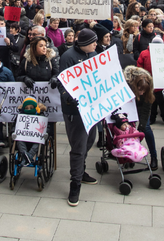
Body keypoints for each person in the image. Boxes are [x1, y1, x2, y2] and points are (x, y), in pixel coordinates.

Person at [52, 28, 100, 206]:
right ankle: (75, 184)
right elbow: (62, 81)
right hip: (75, 110)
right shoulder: (68, 57)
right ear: (85, 44)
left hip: (92, 108)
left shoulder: (94, 54)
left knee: (89, 141)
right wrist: (68, 97)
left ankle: (82, 170)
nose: (96, 45)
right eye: (94, 42)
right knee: (78, 147)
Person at [123, 65, 158, 169]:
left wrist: (141, 126)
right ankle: (128, 156)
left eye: (144, 91)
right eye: (140, 90)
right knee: (127, 130)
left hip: (141, 106)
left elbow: (146, 109)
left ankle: (154, 156)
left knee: (146, 128)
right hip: (129, 105)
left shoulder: (148, 89)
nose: (142, 93)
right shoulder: (128, 84)